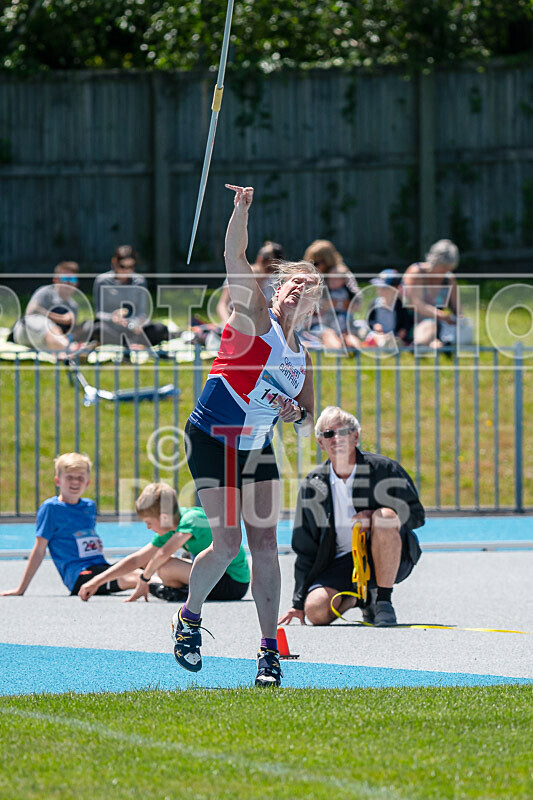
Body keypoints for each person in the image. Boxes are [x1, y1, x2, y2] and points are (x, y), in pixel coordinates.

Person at [174, 184, 323, 687]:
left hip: (257, 446)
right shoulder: (254, 316)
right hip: (212, 438)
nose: (299, 288)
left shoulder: (303, 357)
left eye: (310, 286)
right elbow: (232, 254)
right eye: (293, 283)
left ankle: (267, 654)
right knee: (226, 541)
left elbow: (308, 420)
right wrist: (240, 211)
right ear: (278, 290)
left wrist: (292, 414)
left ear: (316, 305)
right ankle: (190, 616)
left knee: (265, 543)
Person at [279, 406, 424, 628]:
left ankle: (383, 600)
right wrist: (298, 603)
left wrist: (375, 517)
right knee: (315, 611)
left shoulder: (384, 469)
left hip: (390, 555)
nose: (336, 438)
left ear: (355, 437)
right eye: (328, 434)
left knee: (384, 516)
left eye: (343, 432)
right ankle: (361, 598)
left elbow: (416, 515)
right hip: (343, 562)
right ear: (321, 442)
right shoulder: (313, 484)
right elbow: (305, 546)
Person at [79, 482, 250, 603]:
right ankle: (181, 591)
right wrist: (96, 581)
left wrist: (144, 579)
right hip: (215, 577)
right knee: (162, 567)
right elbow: (136, 560)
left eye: (149, 523)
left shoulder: (191, 519)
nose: (148, 528)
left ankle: (179, 590)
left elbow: (163, 553)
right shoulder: (170, 527)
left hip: (233, 583)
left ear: (164, 518)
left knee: (164, 566)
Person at [0, 453, 139, 598]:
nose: (75, 482)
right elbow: (39, 550)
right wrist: (21, 589)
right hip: (80, 575)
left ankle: (158, 585)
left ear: (87, 483)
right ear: (57, 481)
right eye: (69, 477)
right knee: (134, 576)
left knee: (143, 562)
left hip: (101, 567)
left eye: (80, 478)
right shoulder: (51, 509)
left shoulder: (89, 506)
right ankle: (160, 588)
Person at [89, 245, 168, 348]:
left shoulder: (139, 281)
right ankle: (129, 344)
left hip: (134, 329)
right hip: (111, 328)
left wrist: (134, 323)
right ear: (114, 262)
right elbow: (99, 313)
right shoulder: (102, 281)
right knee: (96, 329)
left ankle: (127, 344)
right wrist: (112, 317)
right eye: (122, 266)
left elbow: (142, 312)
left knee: (160, 329)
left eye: (131, 267)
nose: (126, 271)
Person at [402, 239, 462, 349]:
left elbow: (457, 309)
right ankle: (420, 345)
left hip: (438, 323)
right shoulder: (416, 272)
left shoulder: (449, 279)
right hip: (409, 321)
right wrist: (441, 315)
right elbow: (415, 304)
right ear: (434, 261)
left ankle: (433, 344)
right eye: (443, 268)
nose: (445, 272)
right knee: (429, 324)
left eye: (449, 269)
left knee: (435, 325)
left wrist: (460, 320)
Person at [303, 239, 362, 350]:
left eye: (316, 263)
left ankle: (353, 350)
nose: (313, 266)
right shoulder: (310, 279)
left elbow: (357, 304)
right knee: (328, 334)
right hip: (321, 324)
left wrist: (334, 303)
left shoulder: (343, 275)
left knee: (349, 336)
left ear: (327, 261)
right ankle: (339, 349)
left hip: (343, 322)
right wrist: (341, 304)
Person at [12, 261, 82, 353]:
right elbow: (30, 312)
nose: (68, 283)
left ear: (76, 283)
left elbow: (68, 331)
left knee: (60, 335)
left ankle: (66, 352)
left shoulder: (73, 306)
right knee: (46, 324)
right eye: (65, 278)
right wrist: (61, 318)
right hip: (25, 331)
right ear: (55, 280)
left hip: (48, 340)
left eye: (72, 279)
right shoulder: (45, 292)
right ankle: (72, 350)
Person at [216, 240, 284, 325]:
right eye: (269, 268)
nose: (271, 273)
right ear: (260, 259)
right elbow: (222, 305)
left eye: (275, 269)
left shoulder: (272, 283)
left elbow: (270, 311)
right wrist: (228, 325)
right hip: (234, 323)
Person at [365, 268, 414, 347]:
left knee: (397, 340)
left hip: (394, 334)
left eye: (383, 288)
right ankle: (383, 344)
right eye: (378, 287)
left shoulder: (400, 305)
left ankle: (391, 344)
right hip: (379, 333)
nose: (379, 290)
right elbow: (370, 319)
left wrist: (403, 330)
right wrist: (375, 325)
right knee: (374, 338)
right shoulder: (375, 303)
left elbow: (406, 320)